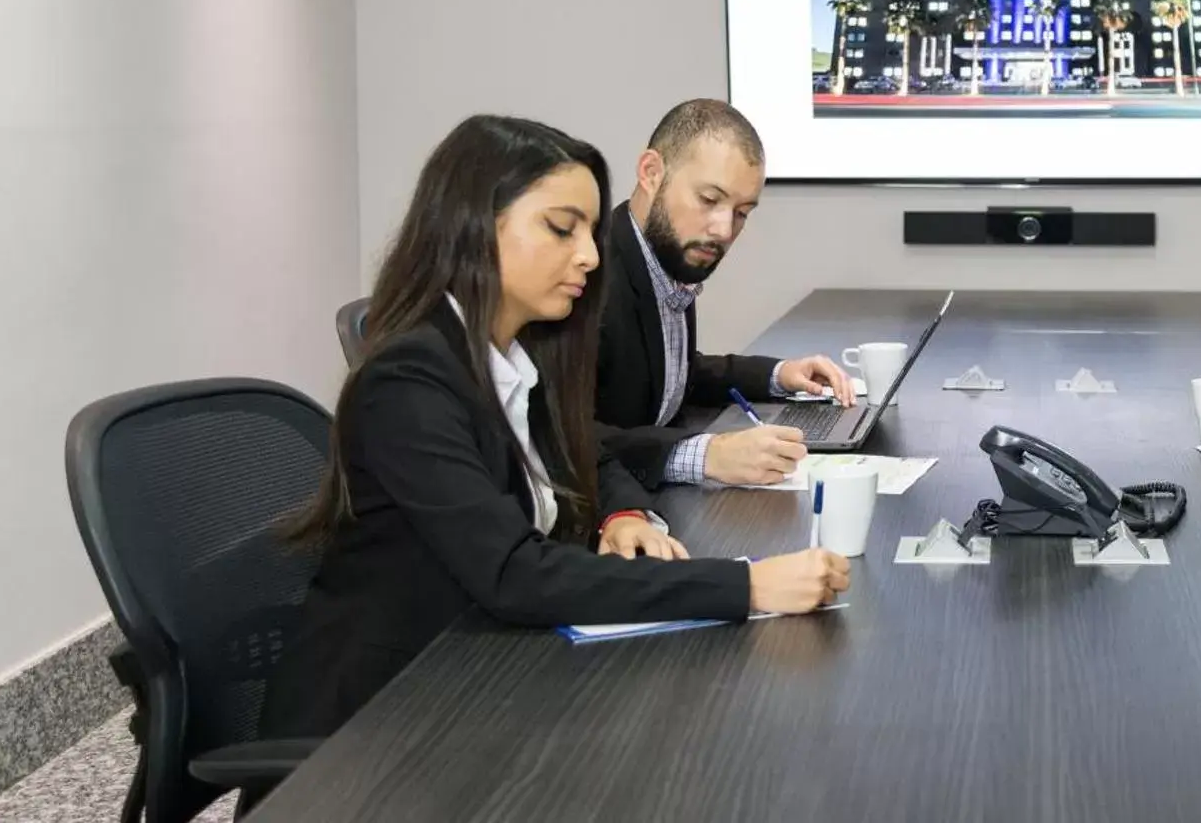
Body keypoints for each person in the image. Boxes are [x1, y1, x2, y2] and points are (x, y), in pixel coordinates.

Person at [264, 115, 849, 740]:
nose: (591, 256)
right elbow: (516, 574)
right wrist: (748, 583)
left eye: (591, 233)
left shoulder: (517, 355)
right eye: (561, 229)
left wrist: (622, 513)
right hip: (377, 724)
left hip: (482, 671)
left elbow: (586, 452)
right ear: (472, 226)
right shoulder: (408, 382)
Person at [596, 100, 858, 490]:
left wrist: (779, 374)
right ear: (651, 173)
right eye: (709, 200)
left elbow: (671, 375)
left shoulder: (665, 259)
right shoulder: (589, 276)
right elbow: (556, 440)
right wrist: (706, 455)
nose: (723, 230)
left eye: (742, 212)